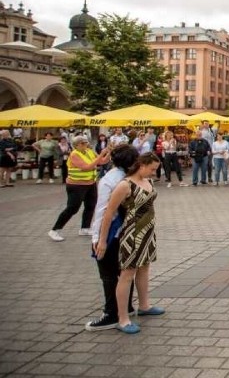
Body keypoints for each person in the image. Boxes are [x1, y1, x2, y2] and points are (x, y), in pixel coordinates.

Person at [95, 152, 164, 334]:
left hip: (147, 231)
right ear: (141, 165)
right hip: (132, 233)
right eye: (152, 169)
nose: (154, 173)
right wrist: (101, 240)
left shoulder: (147, 181)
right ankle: (123, 318)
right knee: (127, 273)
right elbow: (108, 214)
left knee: (144, 267)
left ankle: (144, 305)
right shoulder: (125, 185)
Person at [86, 144, 139, 331]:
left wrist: (98, 238)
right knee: (125, 271)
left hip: (112, 232)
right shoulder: (131, 178)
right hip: (129, 231)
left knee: (108, 275)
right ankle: (126, 307)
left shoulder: (110, 180)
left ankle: (111, 313)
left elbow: (102, 212)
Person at [48, 135, 111, 242]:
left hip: (90, 183)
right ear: (76, 145)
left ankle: (85, 228)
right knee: (72, 208)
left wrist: (109, 152)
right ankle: (55, 230)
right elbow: (87, 167)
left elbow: (102, 161)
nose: (85, 144)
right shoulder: (74, 154)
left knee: (90, 206)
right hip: (76, 185)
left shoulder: (89, 151)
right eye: (82, 143)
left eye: (86, 142)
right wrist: (101, 154)